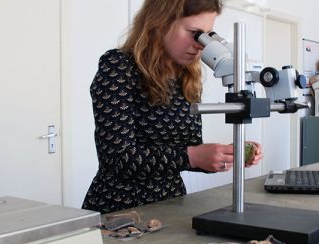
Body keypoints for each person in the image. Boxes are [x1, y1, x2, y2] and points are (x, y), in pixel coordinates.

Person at [83, 0, 263, 214]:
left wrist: (224, 155)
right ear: (161, 23)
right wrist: (194, 156)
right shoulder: (119, 66)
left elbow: (186, 153)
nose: (201, 45)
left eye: (208, 35)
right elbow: (117, 158)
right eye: (194, 33)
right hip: (119, 211)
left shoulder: (188, 77)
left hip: (170, 206)